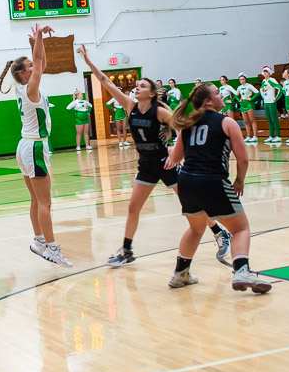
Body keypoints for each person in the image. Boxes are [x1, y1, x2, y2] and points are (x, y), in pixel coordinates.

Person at [80, 45, 232, 268]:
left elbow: (182, 129)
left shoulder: (160, 111)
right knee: (133, 207)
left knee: (193, 207)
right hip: (146, 164)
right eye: (137, 85)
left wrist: (176, 154)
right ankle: (127, 250)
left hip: (165, 162)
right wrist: (89, 62)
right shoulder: (130, 106)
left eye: (142, 85)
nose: (136, 87)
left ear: (151, 93)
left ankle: (220, 232)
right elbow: (106, 82)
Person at [163, 83, 271, 293]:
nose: (222, 96)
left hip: (186, 181)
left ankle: (180, 274)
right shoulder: (227, 122)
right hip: (212, 181)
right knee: (241, 229)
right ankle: (241, 271)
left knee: (196, 228)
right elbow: (243, 158)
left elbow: (175, 158)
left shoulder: (188, 124)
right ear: (208, 101)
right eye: (218, 93)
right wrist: (239, 180)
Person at [0, 24, 72, 267]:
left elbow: (41, 63)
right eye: (29, 66)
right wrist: (38, 38)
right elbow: (39, 62)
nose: (35, 67)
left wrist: (37, 42)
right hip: (35, 148)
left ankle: (39, 241)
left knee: (36, 201)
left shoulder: (24, 87)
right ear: (23, 74)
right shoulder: (30, 89)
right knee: (45, 203)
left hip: (25, 146)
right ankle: (52, 248)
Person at [259, 66, 283, 143]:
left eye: (266, 72)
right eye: (264, 72)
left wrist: (276, 98)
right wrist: (263, 97)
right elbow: (261, 90)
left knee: (274, 119)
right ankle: (271, 135)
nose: (265, 73)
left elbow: (280, 88)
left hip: (272, 102)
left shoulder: (272, 80)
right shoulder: (263, 81)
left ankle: (278, 136)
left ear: (269, 73)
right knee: (269, 119)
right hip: (266, 102)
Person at [236, 73, 260, 143]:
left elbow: (257, 93)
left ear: (245, 79)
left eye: (243, 79)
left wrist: (251, 99)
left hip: (249, 104)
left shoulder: (249, 86)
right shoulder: (239, 87)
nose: (242, 81)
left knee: (252, 120)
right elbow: (236, 95)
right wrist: (238, 99)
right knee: (246, 121)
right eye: (240, 80)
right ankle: (248, 136)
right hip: (243, 105)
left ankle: (255, 136)